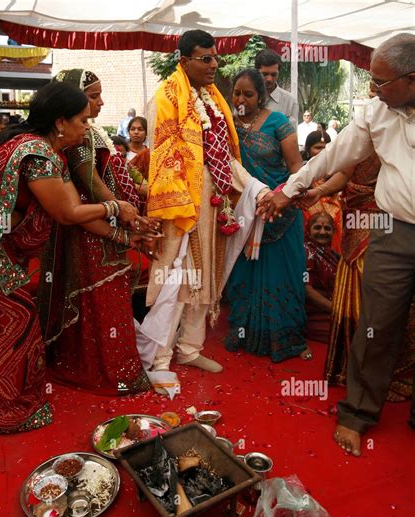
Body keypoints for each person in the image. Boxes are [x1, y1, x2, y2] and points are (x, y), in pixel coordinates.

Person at [257, 33, 415, 456]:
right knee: (377, 323)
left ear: (412, 79)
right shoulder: (375, 113)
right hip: (394, 230)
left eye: (380, 82)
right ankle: (357, 413)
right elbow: (332, 158)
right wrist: (288, 191)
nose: (372, 89)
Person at [0, 82, 129, 433]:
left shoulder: (45, 152)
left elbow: (74, 206)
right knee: (15, 326)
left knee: (13, 325)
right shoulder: (36, 154)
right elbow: (67, 214)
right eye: (83, 120)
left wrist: (122, 232)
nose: (88, 127)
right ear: (61, 122)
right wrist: (117, 207)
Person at [145, 30, 271, 381]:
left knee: (207, 278)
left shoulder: (212, 99)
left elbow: (227, 158)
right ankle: (160, 359)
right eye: (206, 58)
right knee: (179, 280)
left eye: (216, 57)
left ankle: (190, 349)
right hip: (182, 206)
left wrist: (255, 189)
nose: (214, 64)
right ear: (183, 61)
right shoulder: (166, 98)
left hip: (214, 199)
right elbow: (163, 159)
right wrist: (181, 207)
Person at [41, 68, 157, 395]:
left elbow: (116, 177)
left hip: (100, 221)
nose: (101, 103)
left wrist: (130, 207)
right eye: (93, 96)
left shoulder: (89, 131)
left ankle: (103, 366)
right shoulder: (77, 137)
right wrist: (123, 213)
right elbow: (91, 184)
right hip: (87, 230)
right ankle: (102, 370)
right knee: (98, 299)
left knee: (106, 298)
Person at [305, 154, 414, 402]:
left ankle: (395, 374)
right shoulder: (366, 129)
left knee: (386, 303)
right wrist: (317, 191)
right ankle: (360, 375)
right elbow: (344, 173)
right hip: (357, 223)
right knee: (361, 294)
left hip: (392, 224)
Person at [226, 68, 311, 362]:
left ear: (261, 97)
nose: (240, 99)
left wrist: (282, 196)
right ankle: (245, 333)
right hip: (245, 214)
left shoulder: (278, 122)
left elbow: (296, 166)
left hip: (280, 212)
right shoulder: (227, 126)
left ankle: (282, 336)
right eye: (237, 93)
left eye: (248, 94)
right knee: (244, 276)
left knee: (282, 275)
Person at [301, 131, 342, 253]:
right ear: (308, 150)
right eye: (318, 148)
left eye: (325, 148)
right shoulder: (301, 175)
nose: (322, 152)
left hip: (334, 238)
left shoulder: (339, 176)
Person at [304, 212, 339, 343]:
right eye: (317, 228)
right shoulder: (306, 251)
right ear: (309, 230)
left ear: (334, 231)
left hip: (332, 311)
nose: (323, 232)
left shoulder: (334, 255)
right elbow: (306, 291)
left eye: (327, 228)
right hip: (316, 314)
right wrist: (337, 309)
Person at [254, 49, 299, 127]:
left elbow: (291, 134)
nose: (269, 79)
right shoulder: (245, 97)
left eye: (274, 75)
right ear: (256, 72)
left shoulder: (290, 101)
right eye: (264, 74)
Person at [126, 116, 150, 198]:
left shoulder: (149, 153)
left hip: (147, 196)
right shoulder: (121, 151)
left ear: (146, 132)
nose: (136, 132)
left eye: (140, 129)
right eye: (132, 129)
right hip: (127, 194)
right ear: (128, 132)